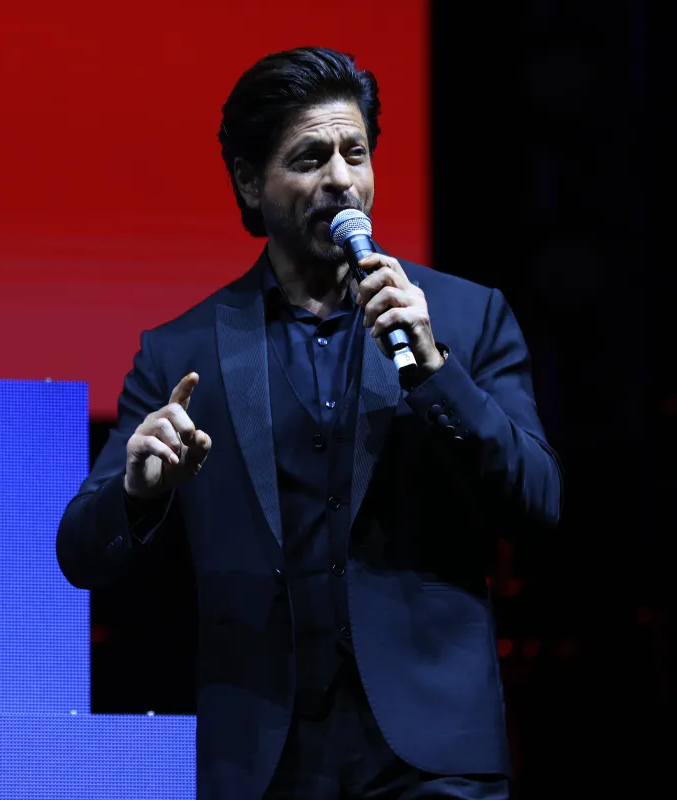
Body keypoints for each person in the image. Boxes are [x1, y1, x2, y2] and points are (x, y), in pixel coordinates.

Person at [55, 47, 562, 799]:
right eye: (309, 158)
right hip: (264, 759)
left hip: (433, 758)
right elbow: (81, 554)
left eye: (355, 152)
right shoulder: (181, 352)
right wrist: (138, 494)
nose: (340, 179)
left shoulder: (465, 316)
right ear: (250, 183)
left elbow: (538, 504)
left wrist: (436, 372)